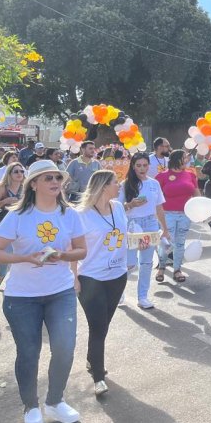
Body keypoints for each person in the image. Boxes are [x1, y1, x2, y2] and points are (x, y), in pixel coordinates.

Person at [0, 160, 87, 423]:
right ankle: (31, 406)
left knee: (64, 348)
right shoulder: (17, 215)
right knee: (28, 352)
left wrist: (62, 255)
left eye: (58, 177)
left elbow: (81, 250)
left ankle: (55, 401)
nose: (55, 182)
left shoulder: (69, 214)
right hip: (21, 297)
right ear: (33, 184)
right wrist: (26, 258)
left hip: (60, 292)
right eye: (48, 178)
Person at [74, 170, 129, 396]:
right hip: (91, 278)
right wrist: (74, 277)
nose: (120, 185)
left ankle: (92, 359)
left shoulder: (119, 207)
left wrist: (140, 241)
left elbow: (123, 236)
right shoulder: (81, 214)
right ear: (104, 186)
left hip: (118, 276)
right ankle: (98, 377)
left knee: (103, 325)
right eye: (116, 182)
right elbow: (71, 247)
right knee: (98, 326)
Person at [118, 153, 170, 310]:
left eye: (145, 165)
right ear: (133, 166)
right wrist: (131, 204)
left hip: (151, 224)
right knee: (129, 263)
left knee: (146, 263)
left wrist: (165, 229)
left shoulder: (154, 183)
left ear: (149, 166)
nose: (142, 168)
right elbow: (117, 209)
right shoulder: (125, 184)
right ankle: (118, 292)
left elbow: (159, 207)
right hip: (132, 225)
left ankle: (142, 297)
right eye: (138, 165)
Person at [154, 149, 198, 284]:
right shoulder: (161, 176)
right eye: (185, 157)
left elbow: (197, 194)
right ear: (176, 159)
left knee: (180, 243)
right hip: (167, 214)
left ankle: (177, 269)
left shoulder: (191, 174)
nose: (187, 160)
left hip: (186, 215)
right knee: (168, 243)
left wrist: (201, 209)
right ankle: (161, 267)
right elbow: (155, 198)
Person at [0, 160, 24, 285]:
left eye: (22, 171)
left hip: (21, 226)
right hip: (3, 224)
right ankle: (2, 278)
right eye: (16, 171)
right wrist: (5, 201)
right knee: (5, 252)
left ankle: (10, 279)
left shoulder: (26, 189)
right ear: (9, 174)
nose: (19, 174)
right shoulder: (2, 188)